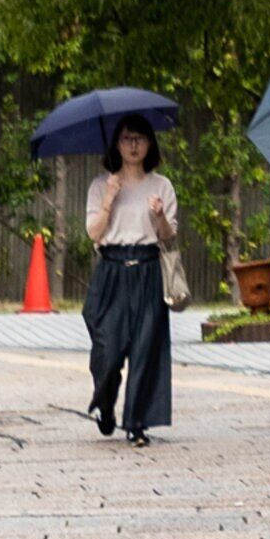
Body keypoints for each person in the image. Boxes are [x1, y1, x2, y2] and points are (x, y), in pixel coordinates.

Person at [82, 113, 177, 444]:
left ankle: (136, 423)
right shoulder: (100, 185)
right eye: (126, 138)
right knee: (107, 351)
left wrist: (160, 215)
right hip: (111, 270)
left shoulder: (161, 185)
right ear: (117, 144)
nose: (133, 145)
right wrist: (109, 198)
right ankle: (106, 404)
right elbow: (93, 233)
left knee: (145, 349)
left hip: (149, 270)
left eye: (140, 138)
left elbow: (168, 238)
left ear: (149, 143)